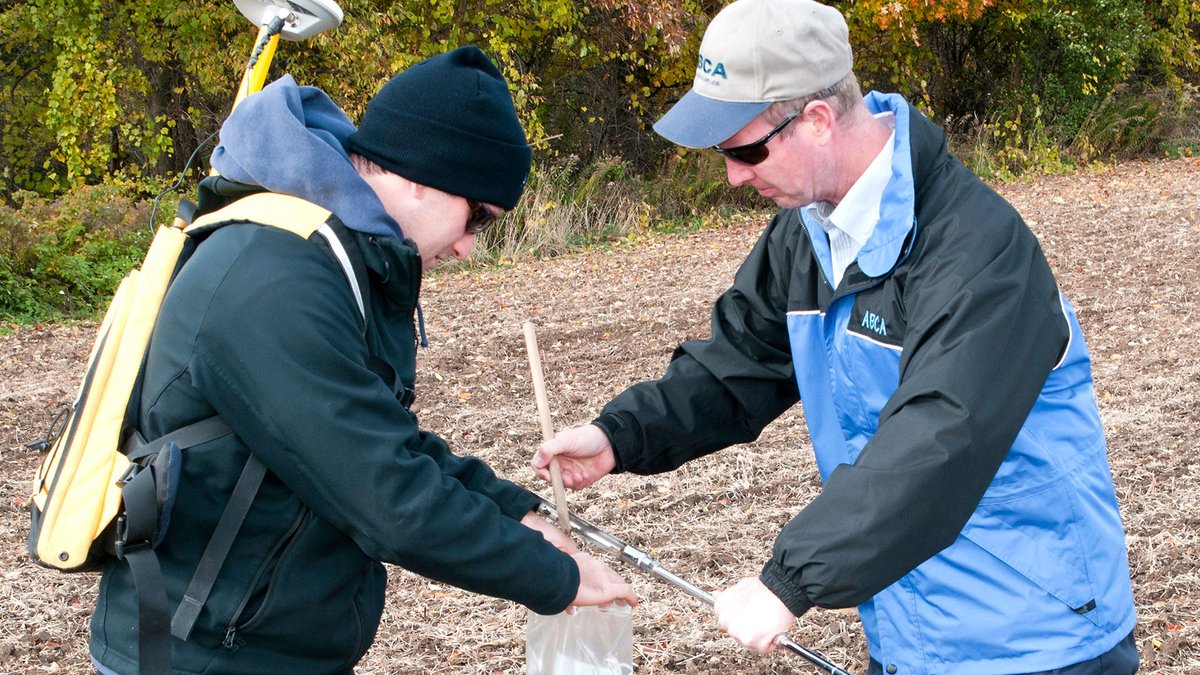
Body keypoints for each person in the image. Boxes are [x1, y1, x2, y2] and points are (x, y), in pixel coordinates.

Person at [532, 1, 1138, 673]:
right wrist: (620, 435)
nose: (734, 174)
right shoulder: (807, 235)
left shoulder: (977, 252)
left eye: (745, 149)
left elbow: (939, 438)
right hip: (911, 637)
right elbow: (737, 366)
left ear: (817, 120)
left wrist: (789, 581)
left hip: (1037, 637)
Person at [89, 46, 636, 674]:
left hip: (261, 647)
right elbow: (381, 491)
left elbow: (382, 435)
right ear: (422, 176)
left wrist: (517, 514)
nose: (467, 247)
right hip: (197, 654)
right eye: (478, 218)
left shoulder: (332, 257)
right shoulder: (273, 277)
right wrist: (554, 576)